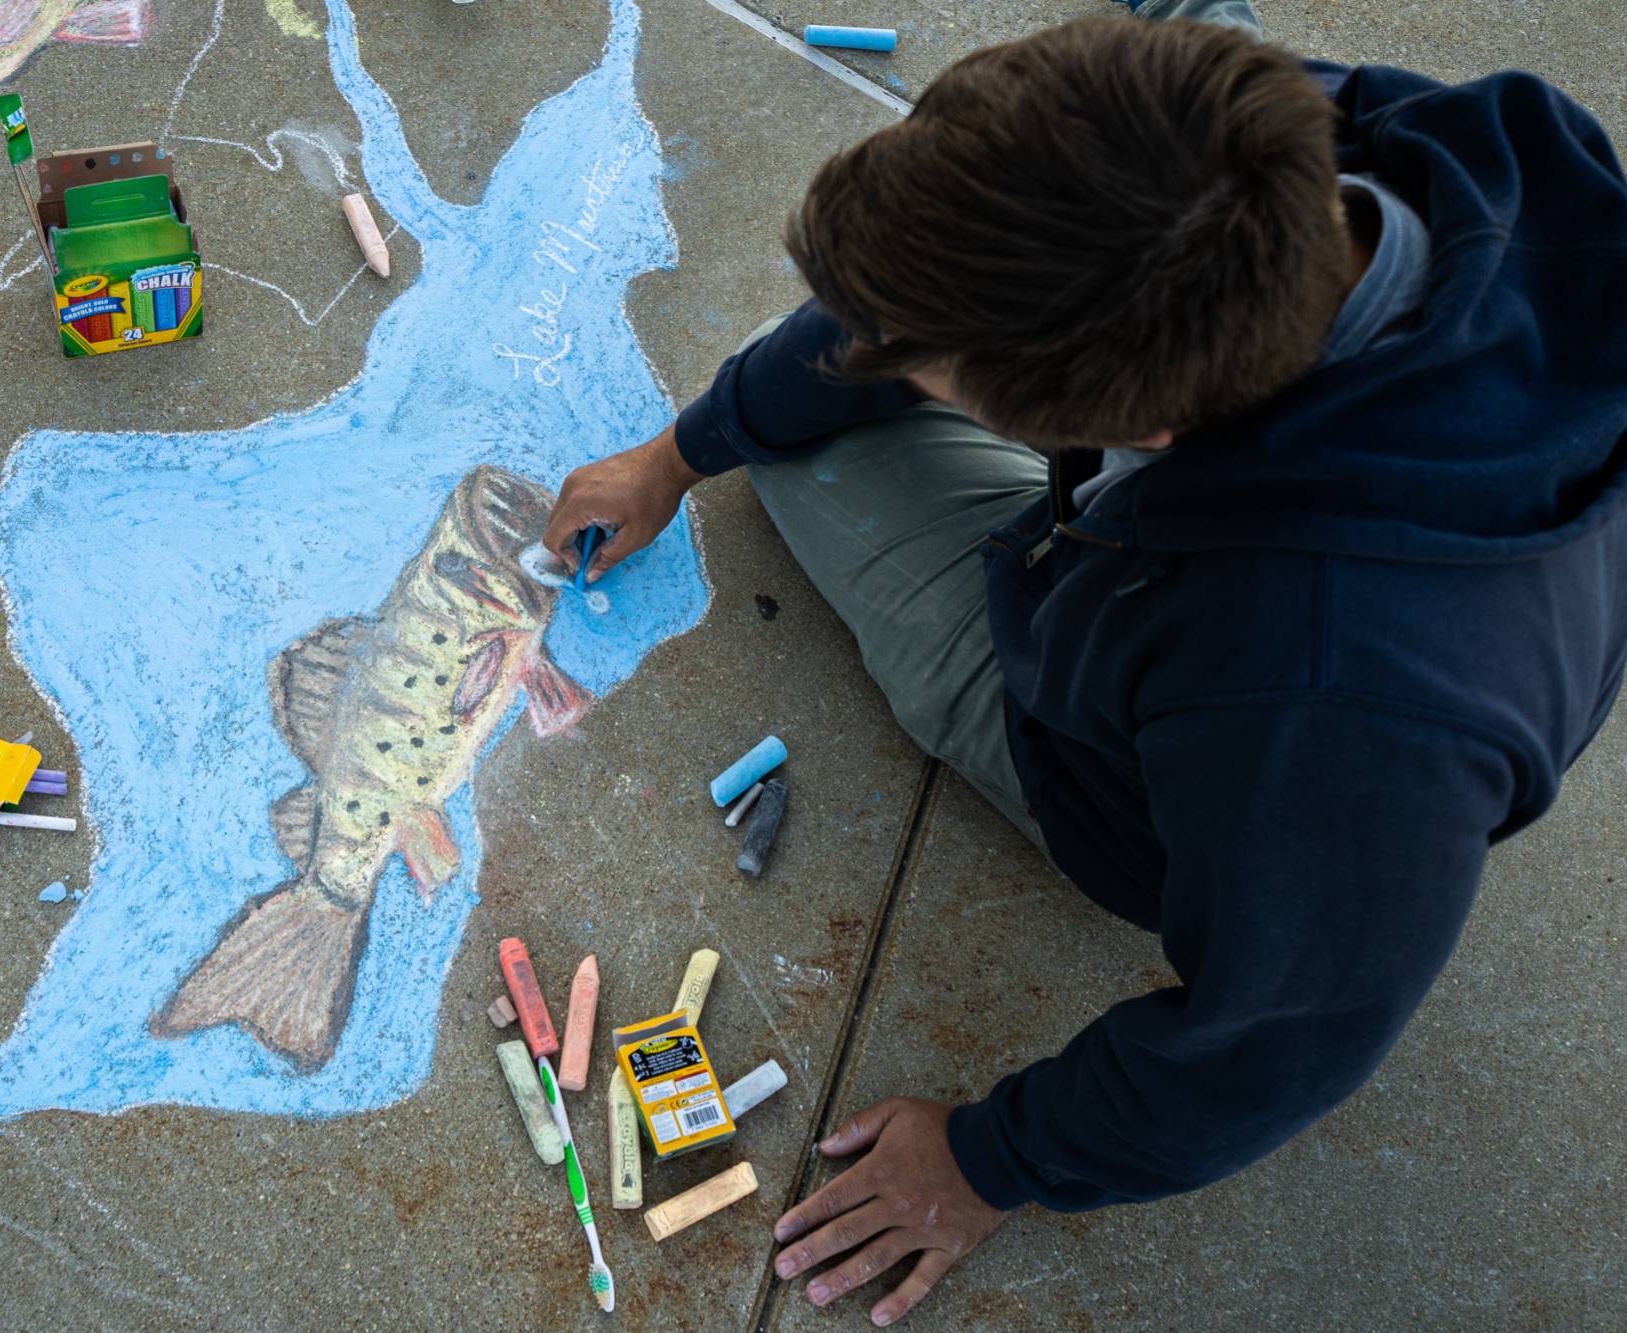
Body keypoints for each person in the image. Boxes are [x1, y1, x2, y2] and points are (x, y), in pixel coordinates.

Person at [543, 0, 1627, 1322]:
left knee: (813, 452)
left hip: (1171, 746)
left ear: (1150, 431)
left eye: (944, 373)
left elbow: (1279, 1040)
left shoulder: (1330, 709)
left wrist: (994, 1160)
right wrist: (677, 450)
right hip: (1268, 598)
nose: (888, 354)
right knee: (829, 384)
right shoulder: (1290, 147)